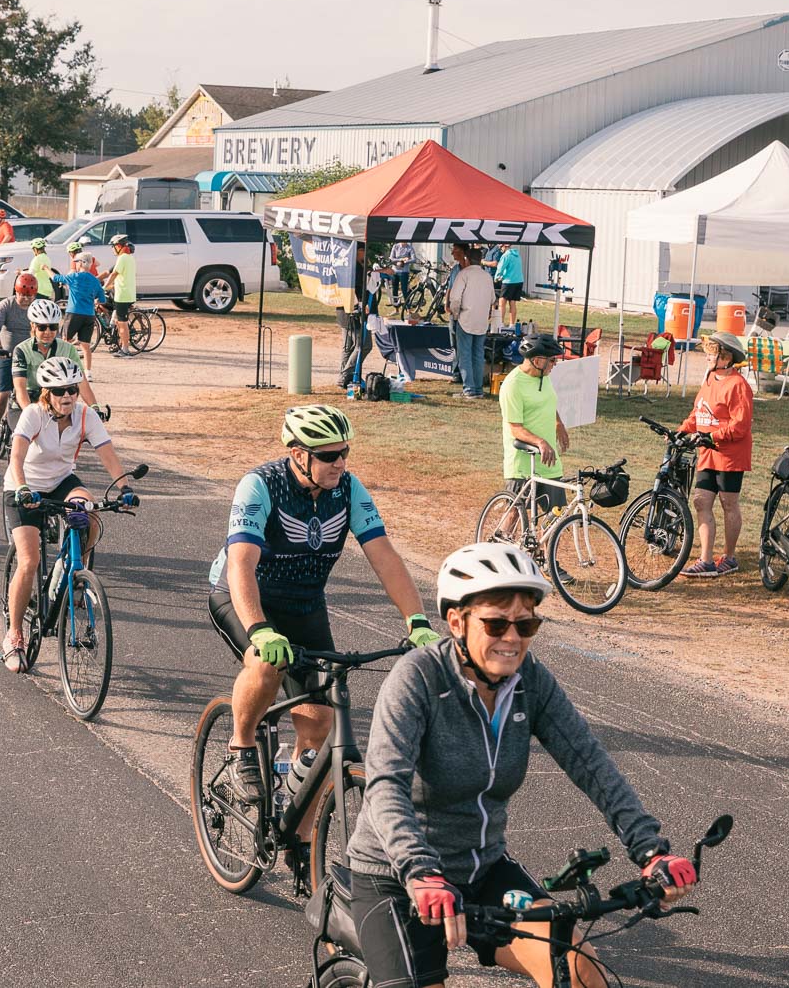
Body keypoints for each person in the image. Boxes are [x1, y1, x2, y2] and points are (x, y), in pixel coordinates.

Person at [344, 542, 697, 988]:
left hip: (483, 868)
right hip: (398, 876)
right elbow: (386, 786)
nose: (513, 638)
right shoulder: (417, 679)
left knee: (580, 969)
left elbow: (591, 763)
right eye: (495, 623)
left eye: (526, 623)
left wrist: (650, 850)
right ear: (457, 622)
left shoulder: (530, 681)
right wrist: (421, 872)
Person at [211, 405, 438, 799]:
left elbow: (384, 556)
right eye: (330, 455)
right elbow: (241, 565)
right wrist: (260, 629)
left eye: (345, 452)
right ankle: (241, 747)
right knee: (266, 667)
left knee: (318, 726)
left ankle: (298, 840)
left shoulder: (349, 489)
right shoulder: (260, 486)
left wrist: (416, 621)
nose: (341, 463)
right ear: (299, 455)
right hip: (245, 596)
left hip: (304, 605)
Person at [1, 355, 135, 667]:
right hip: (23, 487)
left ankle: (74, 572)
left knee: (88, 512)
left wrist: (124, 488)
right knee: (29, 560)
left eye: (73, 389)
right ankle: (14, 633)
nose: (68, 396)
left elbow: (108, 455)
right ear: (46, 392)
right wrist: (22, 488)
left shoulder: (86, 415)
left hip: (61, 481)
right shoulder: (33, 415)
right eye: (60, 391)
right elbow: (16, 458)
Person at [677, 331, 753, 578]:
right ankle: (706, 559)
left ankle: (729, 557)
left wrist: (714, 436)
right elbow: (698, 412)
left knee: (728, 503)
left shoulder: (738, 386)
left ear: (726, 357)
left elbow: (740, 426)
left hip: (729, 455)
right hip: (706, 452)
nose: (708, 357)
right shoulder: (710, 379)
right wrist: (682, 430)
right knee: (701, 501)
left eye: (713, 353)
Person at [498, 332, 570, 513]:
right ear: (537, 361)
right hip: (523, 463)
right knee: (515, 514)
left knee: (555, 519)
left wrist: (558, 423)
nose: (555, 365)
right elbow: (515, 428)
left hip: (549, 462)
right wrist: (540, 442)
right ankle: (501, 541)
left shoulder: (543, 377)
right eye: (552, 360)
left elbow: (546, 402)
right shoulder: (512, 385)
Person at [0, 272, 39, 452]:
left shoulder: (37, 308)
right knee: (3, 394)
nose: (25, 299)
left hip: (30, 357)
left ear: (35, 294)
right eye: (22, 294)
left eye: (29, 296)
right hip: (6, 355)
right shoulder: (6, 305)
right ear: (16, 291)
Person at [9, 298, 97, 410]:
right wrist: (29, 414)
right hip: (26, 402)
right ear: (33, 326)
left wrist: (95, 407)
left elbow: (82, 382)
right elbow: (20, 388)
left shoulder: (68, 349)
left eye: (53, 327)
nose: (48, 332)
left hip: (55, 403)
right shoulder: (21, 350)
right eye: (42, 327)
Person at [445, 244, 497, 398]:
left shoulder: (464, 274)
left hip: (465, 319)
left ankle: (469, 389)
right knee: (478, 355)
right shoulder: (487, 276)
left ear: (467, 258)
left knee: (465, 355)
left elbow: (455, 298)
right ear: (481, 260)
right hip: (481, 321)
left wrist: (455, 313)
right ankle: (478, 389)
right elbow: (493, 299)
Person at [59, 251, 108, 374]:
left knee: (65, 340)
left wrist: (45, 268)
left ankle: (66, 369)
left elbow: (56, 278)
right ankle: (88, 372)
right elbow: (102, 299)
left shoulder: (74, 277)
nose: (74, 264)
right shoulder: (94, 280)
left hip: (74, 313)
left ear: (81, 263)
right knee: (85, 345)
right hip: (89, 315)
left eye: (76, 262)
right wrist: (94, 299)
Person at [101, 234, 137, 352]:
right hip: (127, 293)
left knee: (122, 323)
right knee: (117, 321)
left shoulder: (122, 258)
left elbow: (114, 274)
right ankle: (120, 345)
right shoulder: (129, 258)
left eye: (113, 246)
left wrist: (105, 287)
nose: (112, 249)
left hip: (122, 295)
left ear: (118, 246)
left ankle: (125, 349)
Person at [493, 243, 525, 328]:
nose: (500, 250)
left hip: (508, 282)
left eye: (501, 247)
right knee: (513, 303)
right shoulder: (517, 255)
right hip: (519, 281)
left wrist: (496, 278)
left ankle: (500, 324)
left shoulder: (506, 255)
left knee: (502, 303)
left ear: (505, 246)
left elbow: (500, 268)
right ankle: (512, 325)